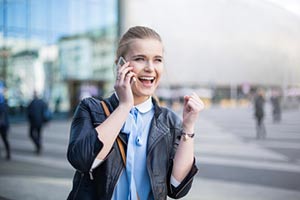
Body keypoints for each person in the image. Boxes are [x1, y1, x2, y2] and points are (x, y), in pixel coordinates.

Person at [67, 26, 204, 200]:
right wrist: (125, 106)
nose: (150, 68)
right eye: (140, 59)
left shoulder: (169, 121)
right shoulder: (90, 108)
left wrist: (188, 127)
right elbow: (83, 161)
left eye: (157, 60)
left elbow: (177, 188)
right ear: (120, 65)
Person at [0, 87, 10, 160]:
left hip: (3, 125)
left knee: (5, 139)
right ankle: (8, 154)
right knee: (5, 139)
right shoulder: (5, 104)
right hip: (4, 125)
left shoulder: (3, 104)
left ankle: (8, 154)